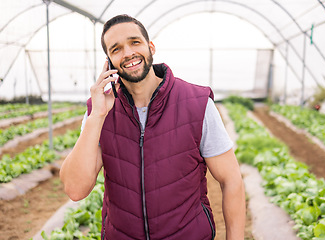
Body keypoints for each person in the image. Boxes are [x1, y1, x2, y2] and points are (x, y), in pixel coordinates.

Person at [60, 14, 245, 240]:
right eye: (116, 49)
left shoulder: (197, 103)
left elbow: (231, 179)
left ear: (151, 47)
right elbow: (75, 189)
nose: (128, 53)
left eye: (134, 42)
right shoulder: (99, 113)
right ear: (108, 61)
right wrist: (97, 116)